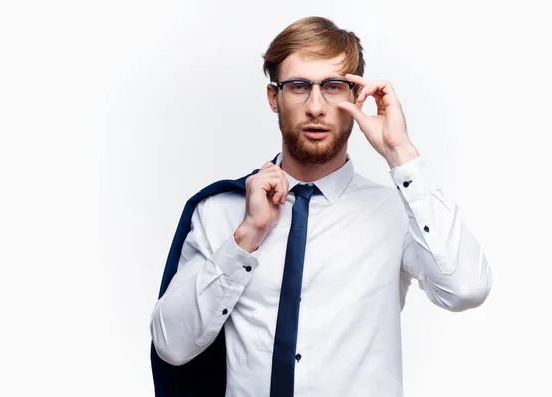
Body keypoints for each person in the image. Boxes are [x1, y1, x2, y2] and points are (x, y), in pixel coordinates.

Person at [149, 16, 493, 397]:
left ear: (355, 96)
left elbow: (466, 289)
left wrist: (401, 153)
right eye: (298, 86)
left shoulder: (397, 213)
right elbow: (172, 347)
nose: (316, 106)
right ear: (273, 97)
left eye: (333, 87)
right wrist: (244, 240)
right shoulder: (219, 213)